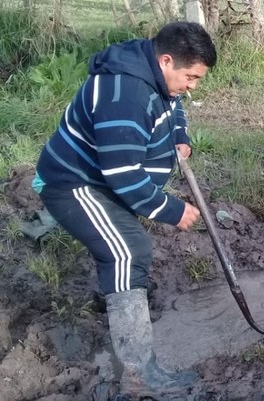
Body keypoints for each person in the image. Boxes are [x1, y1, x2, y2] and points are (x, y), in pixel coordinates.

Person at [32, 21, 216, 397]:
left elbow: (174, 103)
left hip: (103, 182)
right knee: (129, 253)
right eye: (191, 76)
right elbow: (123, 175)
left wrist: (178, 136)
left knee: (124, 247)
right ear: (166, 61)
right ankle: (138, 377)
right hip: (75, 185)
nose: (192, 86)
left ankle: (120, 321)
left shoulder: (153, 71)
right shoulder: (126, 93)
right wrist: (170, 209)